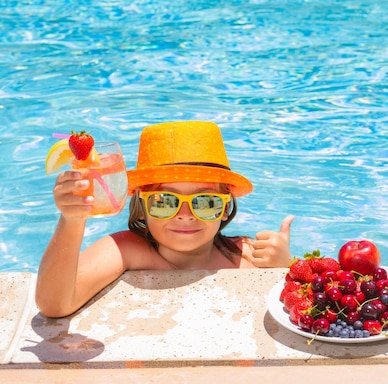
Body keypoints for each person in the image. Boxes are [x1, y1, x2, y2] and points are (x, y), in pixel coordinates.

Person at [36, 121, 294, 318]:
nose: (185, 214)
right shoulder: (128, 250)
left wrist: (285, 267)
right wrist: (72, 220)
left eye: (205, 202)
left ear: (225, 209)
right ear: (142, 206)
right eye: (163, 201)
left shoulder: (247, 255)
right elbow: (55, 304)